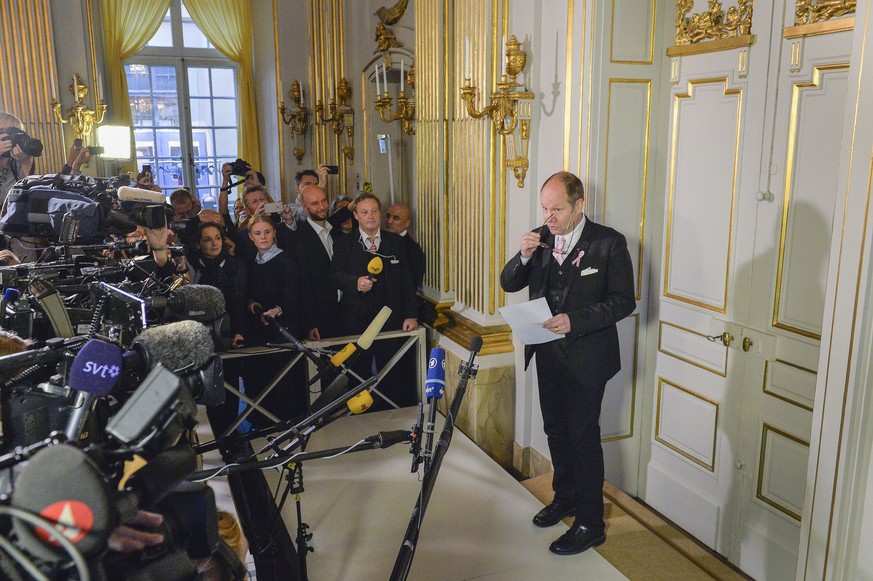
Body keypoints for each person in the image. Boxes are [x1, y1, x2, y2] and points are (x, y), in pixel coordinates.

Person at [499, 171, 635, 556]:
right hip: (546, 353)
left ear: (580, 205)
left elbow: (624, 301)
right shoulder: (539, 237)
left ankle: (591, 522)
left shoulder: (608, 243)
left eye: (557, 208)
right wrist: (523, 255)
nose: (550, 216)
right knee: (555, 431)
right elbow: (509, 283)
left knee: (582, 437)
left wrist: (576, 320)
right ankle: (566, 498)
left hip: (588, 358)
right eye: (545, 208)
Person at [330, 192, 418, 409]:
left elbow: (407, 280)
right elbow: (335, 276)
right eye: (364, 212)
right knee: (357, 376)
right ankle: (357, 420)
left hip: (390, 320)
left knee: (391, 374)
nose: (370, 216)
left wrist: (411, 314)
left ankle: (390, 419)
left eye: (374, 211)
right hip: (355, 321)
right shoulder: (343, 244)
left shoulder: (396, 242)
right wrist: (355, 282)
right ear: (356, 216)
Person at [243, 214, 305, 423]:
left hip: (284, 329)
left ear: (274, 233)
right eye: (258, 233)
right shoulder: (253, 262)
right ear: (251, 236)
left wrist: (276, 310)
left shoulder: (285, 260)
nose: (263, 237)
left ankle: (291, 424)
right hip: (262, 330)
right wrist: (252, 302)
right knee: (265, 379)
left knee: (285, 381)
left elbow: (294, 295)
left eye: (267, 232)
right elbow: (253, 291)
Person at [288, 185, 341, 340]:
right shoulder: (298, 240)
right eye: (315, 204)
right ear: (304, 207)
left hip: (345, 313)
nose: (322, 207)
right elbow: (302, 285)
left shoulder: (336, 233)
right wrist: (310, 323)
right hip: (320, 317)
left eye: (324, 201)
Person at [385, 202, 425, 290]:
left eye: (396, 218)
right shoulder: (380, 241)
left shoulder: (412, 249)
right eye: (388, 216)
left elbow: (411, 283)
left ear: (406, 223)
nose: (389, 221)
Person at [0, 112, 36, 205]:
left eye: (15, 133)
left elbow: (30, 196)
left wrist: (26, 163)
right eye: (7, 133)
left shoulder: (17, 161)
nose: (11, 138)